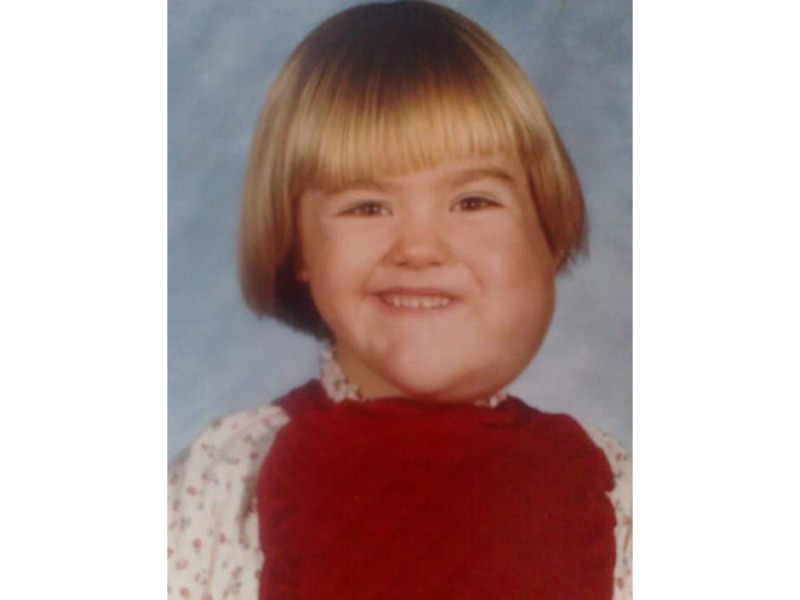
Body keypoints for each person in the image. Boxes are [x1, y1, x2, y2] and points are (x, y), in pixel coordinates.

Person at [168, 2, 632, 598]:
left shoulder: (611, 483)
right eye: (367, 206)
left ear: (548, 235)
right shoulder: (227, 475)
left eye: (472, 202)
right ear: (296, 245)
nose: (418, 248)